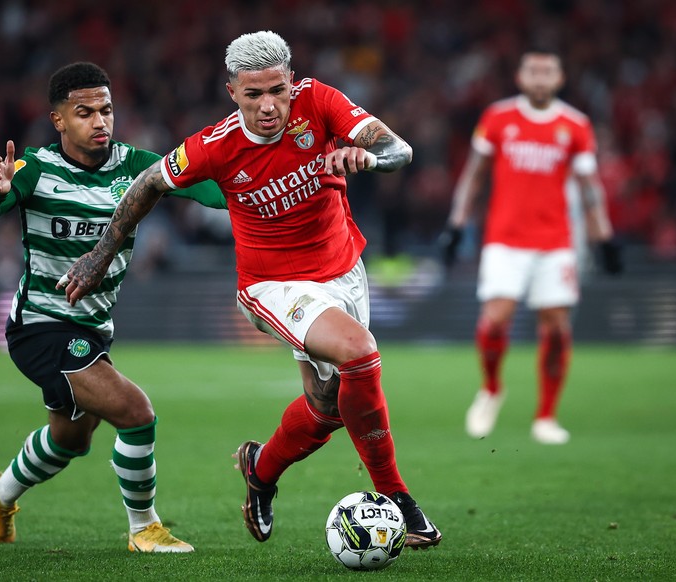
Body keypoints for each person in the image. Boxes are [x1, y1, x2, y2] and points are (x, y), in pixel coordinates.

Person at [59, 31, 442, 550]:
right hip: (273, 284)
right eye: (254, 94)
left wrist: (366, 159)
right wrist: (101, 255)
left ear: (291, 82)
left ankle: (261, 470)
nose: (269, 106)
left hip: (344, 269)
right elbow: (148, 183)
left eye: (278, 91)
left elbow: (400, 150)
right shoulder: (213, 147)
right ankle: (396, 498)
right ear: (232, 92)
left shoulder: (320, 101)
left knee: (329, 407)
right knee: (360, 353)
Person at [0, 62, 225, 552]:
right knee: (136, 413)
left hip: (93, 328)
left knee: (70, 440)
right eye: (84, 113)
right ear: (58, 120)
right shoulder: (36, 169)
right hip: (42, 326)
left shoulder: (138, 166)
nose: (100, 121)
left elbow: (208, 191)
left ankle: (0, 492)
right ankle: (144, 527)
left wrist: (251, 187)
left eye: (106, 110)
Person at [439, 48, 623, 445]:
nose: (540, 77)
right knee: (495, 318)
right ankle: (491, 389)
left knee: (556, 328)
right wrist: (456, 225)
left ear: (559, 79)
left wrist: (603, 236)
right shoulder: (498, 117)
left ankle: (546, 416)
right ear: (521, 77)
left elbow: (590, 188)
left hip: (556, 241)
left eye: (548, 71)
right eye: (533, 70)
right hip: (505, 239)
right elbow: (474, 175)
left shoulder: (575, 125)